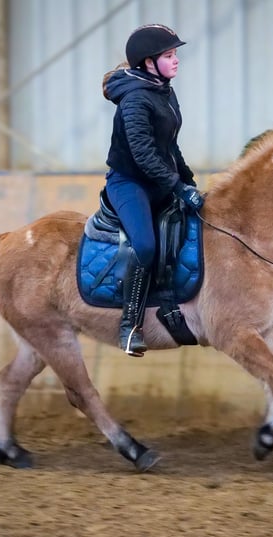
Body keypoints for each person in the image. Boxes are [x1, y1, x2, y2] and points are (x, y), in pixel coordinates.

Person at [102, 24, 204, 357]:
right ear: (149, 62)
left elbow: (168, 147)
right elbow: (144, 154)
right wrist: (175, 185)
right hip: (130, 183)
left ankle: (171, 304)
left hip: (159, 180)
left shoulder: (164, 90)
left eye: (175, 55)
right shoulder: (134, 100)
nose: (176, 61)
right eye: (169, 55)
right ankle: (130, 326)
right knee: (145, 246)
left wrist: (187, 181)